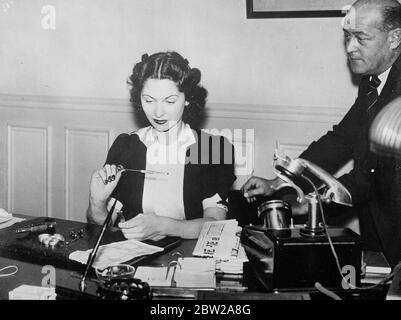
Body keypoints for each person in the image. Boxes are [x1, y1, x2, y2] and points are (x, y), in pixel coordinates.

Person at [242, 0, 401, 267]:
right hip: (380, 228)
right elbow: (341, 140)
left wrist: (310, 203)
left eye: (361, 38)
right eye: (347, 36)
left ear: (395, 37)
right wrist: (283, 181)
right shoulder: (375, 81)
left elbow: (372, 175)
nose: (350, 48)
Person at [87, 51, 236, 240]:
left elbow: (216, 224)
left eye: (170, 101)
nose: (158, 112)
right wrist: (97, 202)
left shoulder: (212, 148)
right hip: (135, 259)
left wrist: (165, 226)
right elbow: (102, 227)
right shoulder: (126, 146)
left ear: (188, 98)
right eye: (148, 100)